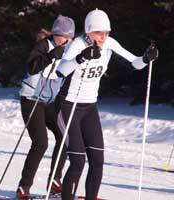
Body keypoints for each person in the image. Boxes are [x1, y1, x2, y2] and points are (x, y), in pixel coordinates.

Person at [55, 9, 158, 200]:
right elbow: (60, 71)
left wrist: (146, 58)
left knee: (97, 161)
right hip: (67, 106)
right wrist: (81, 57)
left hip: (89, 108)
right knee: (78, 161)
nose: (103, 37)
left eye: (106, 32)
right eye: (98, 33)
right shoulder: (77, 44)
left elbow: (135, 63)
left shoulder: (109, 43)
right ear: (88, 32)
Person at [16, 15, 75, 199]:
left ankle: (55, 183)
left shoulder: (70, 50)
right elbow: (32, 67)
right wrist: (50, 56)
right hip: (32, 99)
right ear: (55, 35)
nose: (66, 41)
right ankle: (24, 188)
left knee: (65, 137)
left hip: (50, 101)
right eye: (63, 37)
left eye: (69, 38)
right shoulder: (43, 46)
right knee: (41, 142)